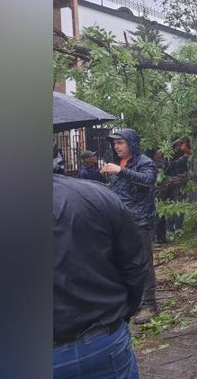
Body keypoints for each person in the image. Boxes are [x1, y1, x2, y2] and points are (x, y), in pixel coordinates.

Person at [53, 147, 148, 378]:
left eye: (121, 142)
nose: (117, 146)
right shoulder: (96, 194)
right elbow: (135, 264)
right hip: (103, 338)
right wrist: (123, 313)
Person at [101, 128, 159, 323]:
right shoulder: (118, 163)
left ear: (131, 143)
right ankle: (130, 302)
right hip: (120, 221)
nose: (116, 147)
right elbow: (119, 190)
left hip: (140, 221)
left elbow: (148, 182)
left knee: (143, 262)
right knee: (121, 261)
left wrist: (121, 171)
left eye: (120, 142)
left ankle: (149, 305)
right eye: (114, 143)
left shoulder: (145, 163)